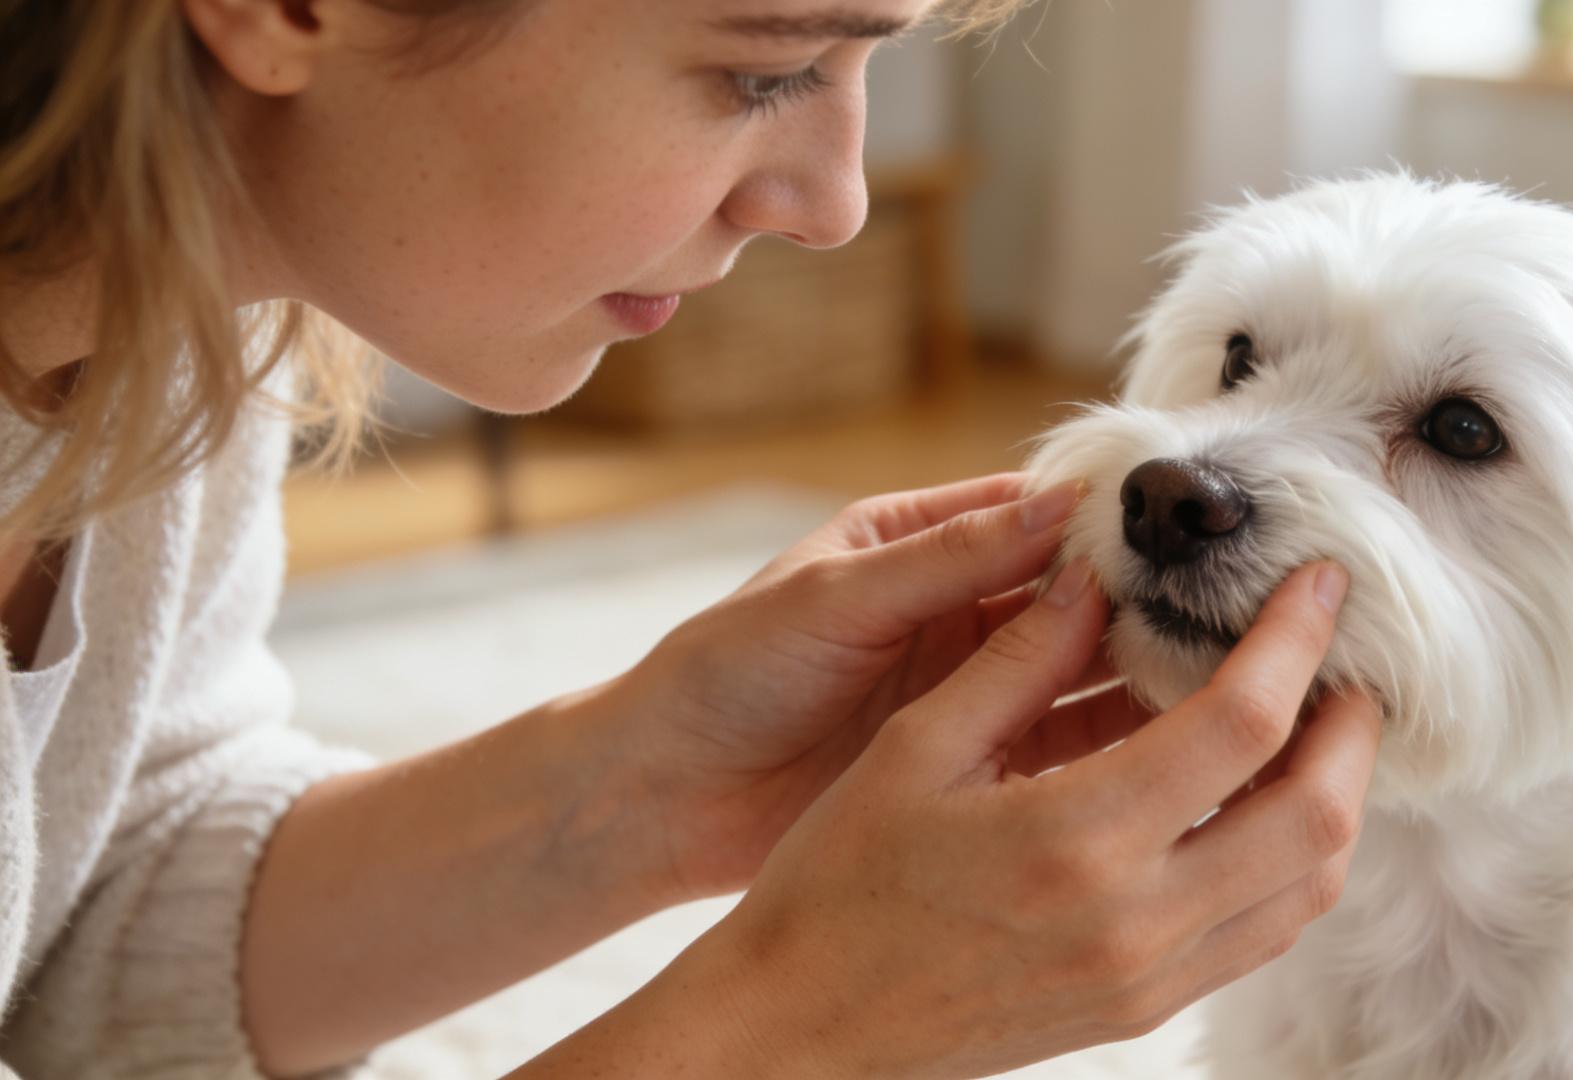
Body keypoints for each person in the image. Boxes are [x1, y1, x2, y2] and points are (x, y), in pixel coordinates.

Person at [0, 0, 1384, 1075]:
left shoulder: (158, 341)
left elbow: (84, 895)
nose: (835, 203)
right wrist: (803, 1025)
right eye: (762, 71)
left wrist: (644, 786)